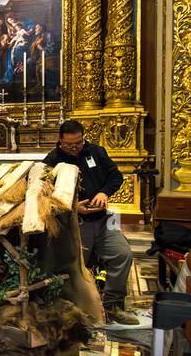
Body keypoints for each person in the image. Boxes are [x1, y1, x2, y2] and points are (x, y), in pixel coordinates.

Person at [42, 120, 140, 325]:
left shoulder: (95, 152)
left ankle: (113, 306)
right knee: (77, 266)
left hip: (104, 219)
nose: (75, 148)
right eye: (70, 145)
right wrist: (74, 207)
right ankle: (76, 311)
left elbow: (115, 176)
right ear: (60, 140)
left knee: (122, 254)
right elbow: (44, 195)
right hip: (75, 223)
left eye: (78, 143)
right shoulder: (51, 160)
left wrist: (104, 193)